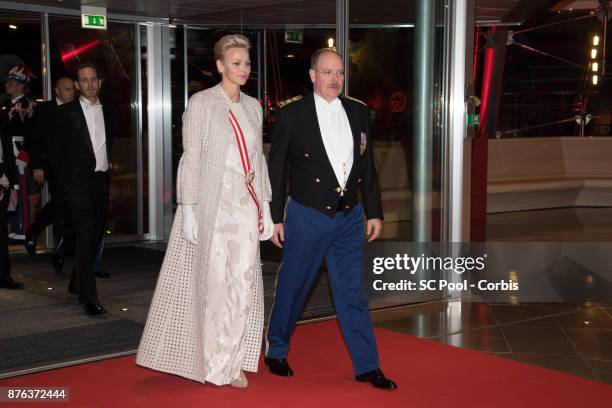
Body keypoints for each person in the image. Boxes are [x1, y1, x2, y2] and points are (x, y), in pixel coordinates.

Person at [137, 34, 273, 389]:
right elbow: (192, 156)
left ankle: (233, 362)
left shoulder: (253, 107)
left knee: (242, 283)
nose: (243, 69)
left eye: (246, 63)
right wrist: (189, 208)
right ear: (219, 66)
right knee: (214, 286)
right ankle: (211, 362)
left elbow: (258, 160)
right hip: (213, 205)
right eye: (236, 63)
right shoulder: (201, 103)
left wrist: (267, 209)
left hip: (245, 205)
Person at [264, 48, 397, 390]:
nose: (334, 79)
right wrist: (274, 216)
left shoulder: (359, 112)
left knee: (352, 293)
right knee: (294, 287)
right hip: (307, 216)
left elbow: (367, 168)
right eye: (327, 72)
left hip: (350, 217)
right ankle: (276, 350)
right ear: (312, 75)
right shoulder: (292, 115)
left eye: (339, 73)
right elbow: (276, 169)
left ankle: (367, 365)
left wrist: (375, 211)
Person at [53, 63, 116, 316]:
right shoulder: (65, 113)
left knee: (96, 233)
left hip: (101, 180)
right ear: (77, 85)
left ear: (99, 82)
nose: (90, 83)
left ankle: (76, 280)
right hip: (77, 183)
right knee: (86, 233)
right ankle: (89, 298)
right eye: (84, 80)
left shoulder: (110, 112)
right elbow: (56, 153)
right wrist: (65, 185)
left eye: (93, 79)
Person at [25, 77, 76, 263]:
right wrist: (37, 166)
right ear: (57, 91)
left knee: (61, 202)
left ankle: (35, 232)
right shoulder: (45, 109)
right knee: (62, 201)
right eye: (67, 89)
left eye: (73, 89)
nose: (72, 92)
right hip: (49, 165)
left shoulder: (76, 108)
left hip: (71, 166)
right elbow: (34, 140)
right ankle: (60, 246)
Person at [0, 65, 36, 242]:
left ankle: (23, 230)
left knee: (20, 191)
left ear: (21, 85)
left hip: (19, 155)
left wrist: (26, 153)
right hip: (7, 155)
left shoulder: (28, 104)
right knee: (11, 191)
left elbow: (33, 133)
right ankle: (15, 227)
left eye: (11, 81)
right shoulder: (8, 105)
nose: (7, 84)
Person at [0, 121, 21, 289]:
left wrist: (15, 186)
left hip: (4, 182)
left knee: (1, 231)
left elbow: (9, 156)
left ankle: (4, 275)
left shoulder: (2, 123)